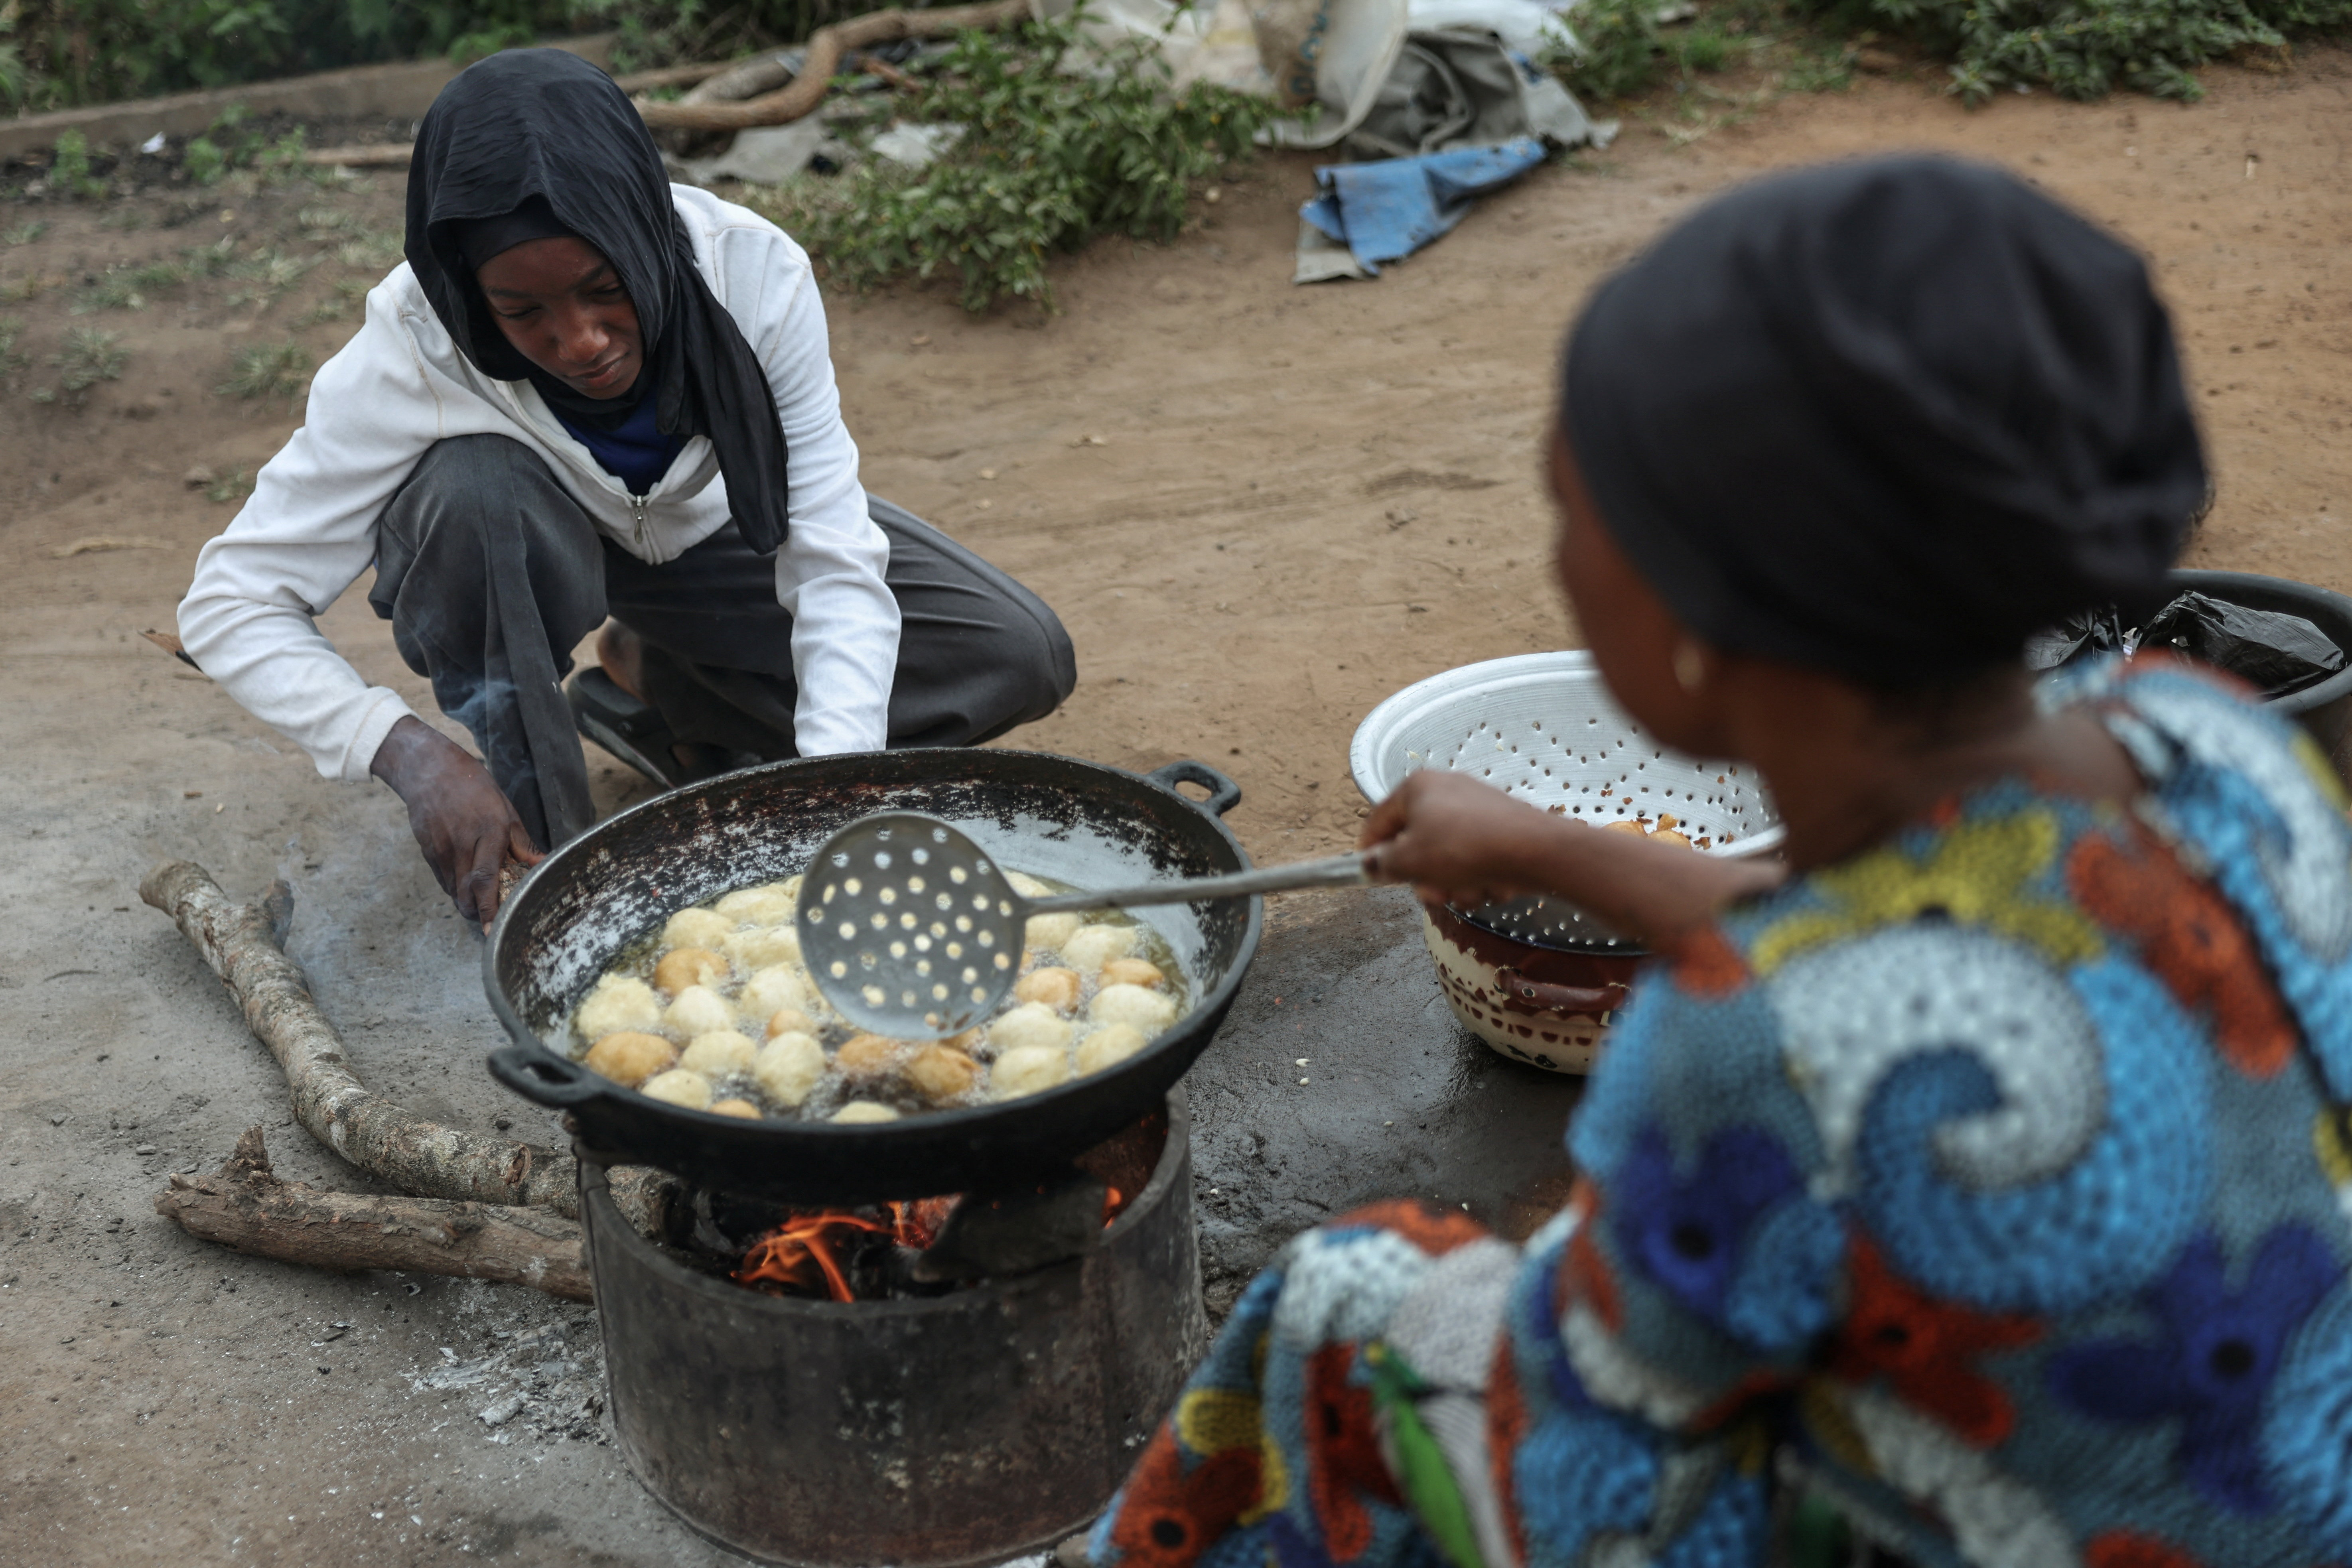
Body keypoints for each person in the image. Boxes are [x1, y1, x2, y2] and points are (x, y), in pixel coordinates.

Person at [1090, 156, 2352, 1566]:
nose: (1561, 557)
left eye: (1579, 517)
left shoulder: (1741, 1053)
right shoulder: (2208, 744)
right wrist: (1554, 848)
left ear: (1707, 613)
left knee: (1344, 1297)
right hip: (2286, 1482)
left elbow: (1570, 1489)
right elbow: (1942, 942)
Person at [177, 49, 1074, 927]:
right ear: (468, 290)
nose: (580, 342)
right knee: (474, 491)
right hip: (531, 563)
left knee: (1016, 655)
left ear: (644, 233)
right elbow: (231, 603)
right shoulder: (415, 344)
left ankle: (660, 686)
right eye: (521, 312)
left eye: (605, 289)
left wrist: (822, 807)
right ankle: (553, 863)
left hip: (725, 554)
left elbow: (831, 560)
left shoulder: (752, 276)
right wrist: (403, 751)